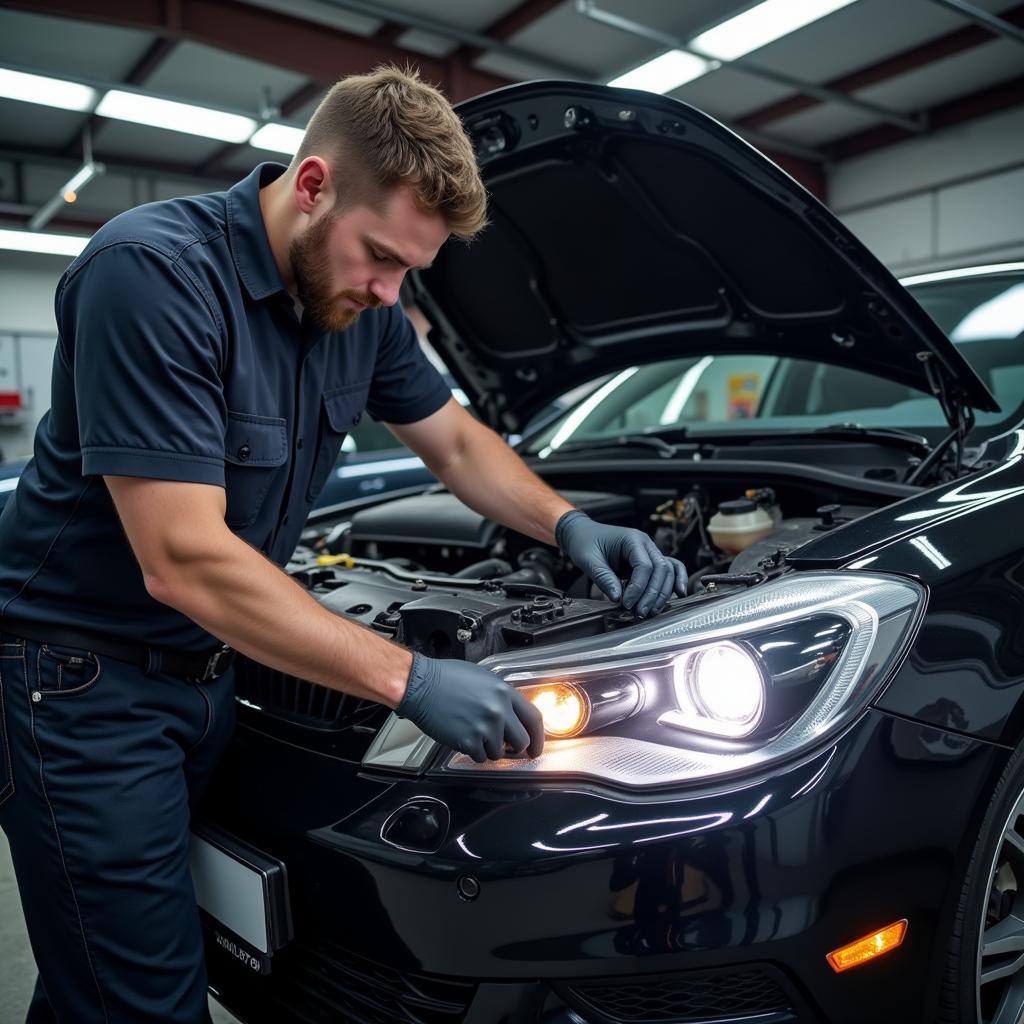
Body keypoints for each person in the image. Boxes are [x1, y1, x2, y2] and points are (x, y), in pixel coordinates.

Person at [0, 65, 687, 1023]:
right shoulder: (151, 274)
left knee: (107, 966)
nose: (388, 289)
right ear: (312, 183)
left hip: (212, 683)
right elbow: (184, 557)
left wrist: (567, 524)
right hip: (85, 691)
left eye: (411, 269)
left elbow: (454, 440)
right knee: (143, 1001)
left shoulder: (359, 309)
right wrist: (413, 679)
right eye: (378, 256)